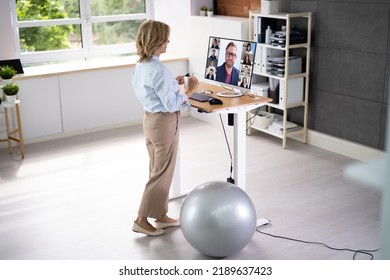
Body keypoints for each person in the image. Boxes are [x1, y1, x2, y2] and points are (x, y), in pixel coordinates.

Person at [131, 20, 199, 236]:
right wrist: (190, 90)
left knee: (158, 169)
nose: (168, 42)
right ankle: (141, 219)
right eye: (165, 39)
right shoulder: (158, 69)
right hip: (164, 123)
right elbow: (170, 104)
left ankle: (160, 216)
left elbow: (154, 92)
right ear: (156, 41)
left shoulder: (141, 66)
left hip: (150, 121)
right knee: (161, 173)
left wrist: (173, 83)